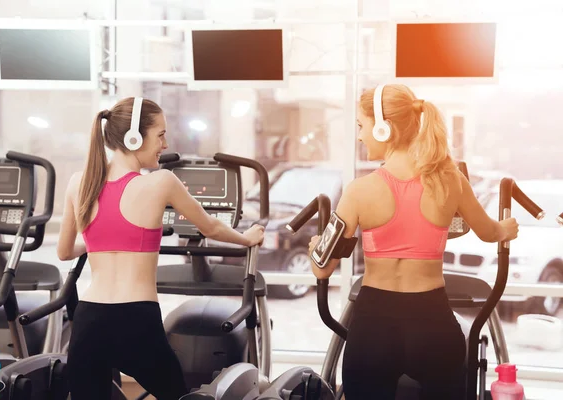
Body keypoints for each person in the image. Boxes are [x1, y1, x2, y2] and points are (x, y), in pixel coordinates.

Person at [308, 84, 519, 400]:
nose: (360, 136)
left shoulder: (359, 191)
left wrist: (314, 248)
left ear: (384, 128)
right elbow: (489, 233)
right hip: (431, 323)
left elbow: (322, 270)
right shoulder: (448, 179)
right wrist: (507, 228)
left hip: (374, 327)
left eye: (362, 126)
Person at [56, 97, 265, 399]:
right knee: (175, 395)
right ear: (134, 137)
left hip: (89, 320)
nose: (165, 144)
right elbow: (210, 227)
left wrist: (99, 241)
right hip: (136, 320)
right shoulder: (161, 182)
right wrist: (248, 238)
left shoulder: (79, 183)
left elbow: (64, 252)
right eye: (161, 135)